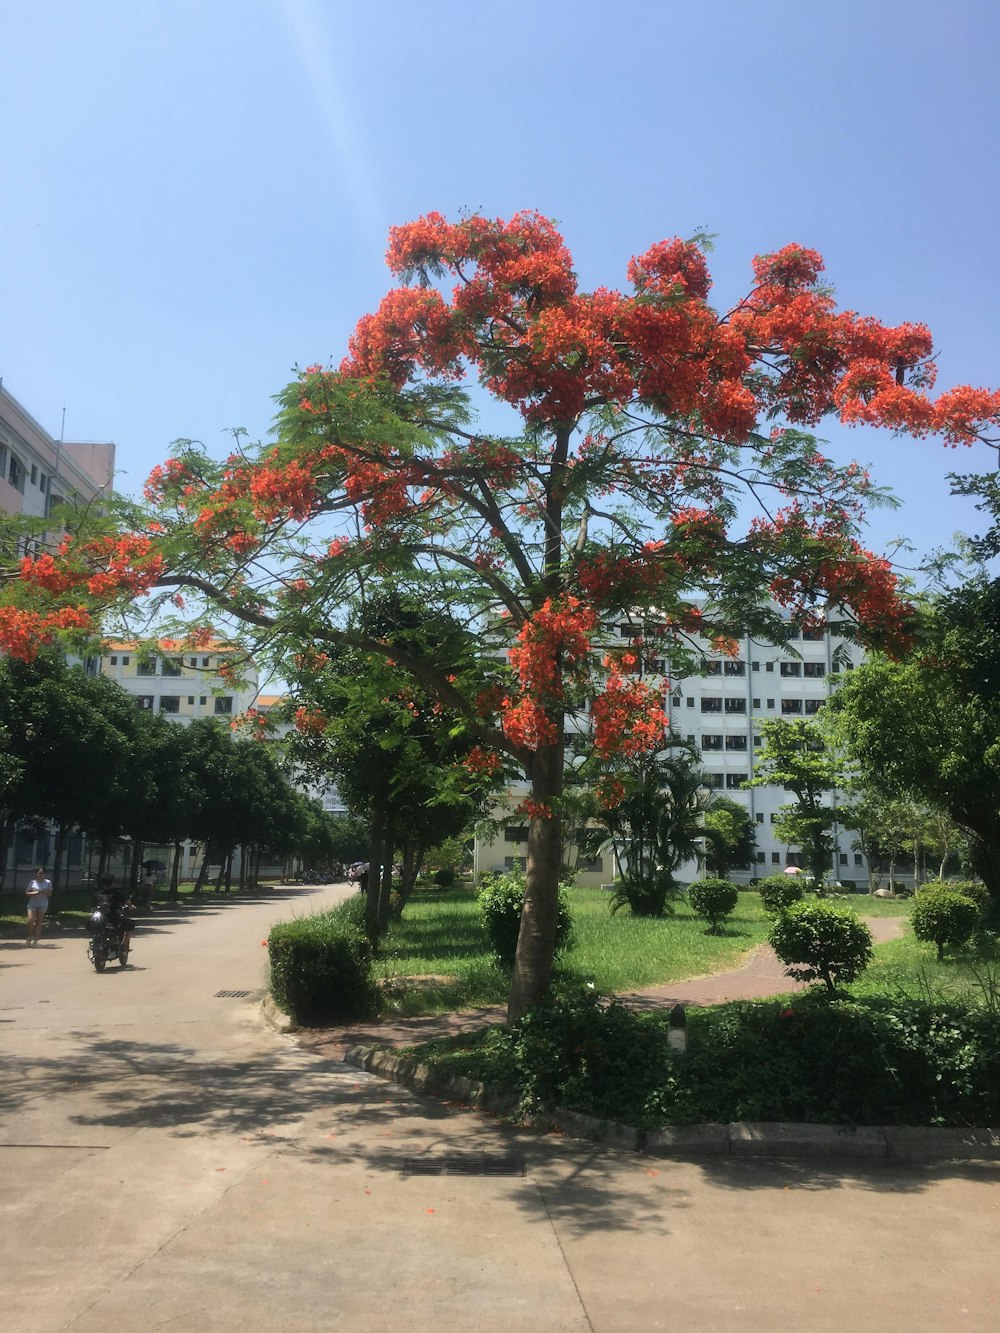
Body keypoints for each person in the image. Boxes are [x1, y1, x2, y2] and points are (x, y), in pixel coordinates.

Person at [97, 873, 135, 952]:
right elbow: (128, 903)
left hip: (100, 919)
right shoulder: (117, 893)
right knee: (130, 924)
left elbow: (92, 905)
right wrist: (131, 907)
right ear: (113, 882)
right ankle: (124, 945)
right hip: (114, 918)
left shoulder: (99, 894)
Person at [26, 866, 53, 945]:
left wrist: (45, 892)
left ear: (45, 874)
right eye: (39, 873)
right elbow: (27, 893)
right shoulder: (32, 882)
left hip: (43, 904)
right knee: (30, 921)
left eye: (42, 873)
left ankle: (36, 940)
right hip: (33, 904)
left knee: (39, 922)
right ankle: (29, 936)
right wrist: (35, 893)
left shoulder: (48, 882)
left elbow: (50, 893)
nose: (41, 875)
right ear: (36, 874)